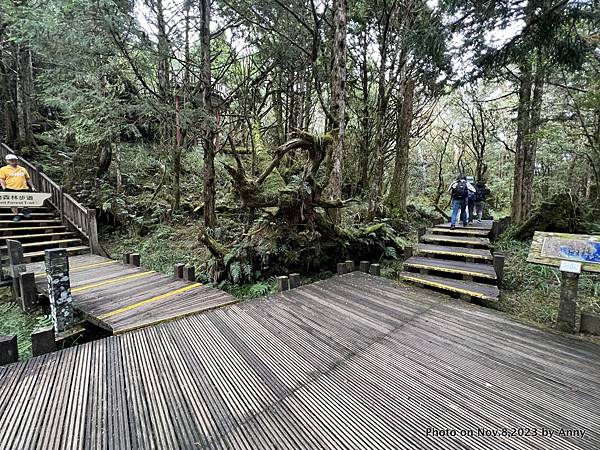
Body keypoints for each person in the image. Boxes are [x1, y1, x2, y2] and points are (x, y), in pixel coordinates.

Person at [0, 154, 36, 221]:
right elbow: (2, 179)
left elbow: (28, 178)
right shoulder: (3, 169)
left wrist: (32, 186)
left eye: (15, 160)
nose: (14, 161)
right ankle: (16, 215)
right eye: (11, 160)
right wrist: (4, 187)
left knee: (27, 200)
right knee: (13, 202)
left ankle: (25, 210)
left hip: (23, 187)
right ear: (7, 161)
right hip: (10, 188)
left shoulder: (22, 169)